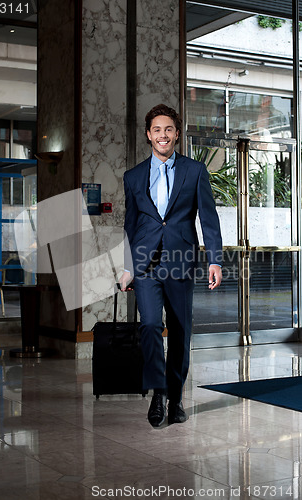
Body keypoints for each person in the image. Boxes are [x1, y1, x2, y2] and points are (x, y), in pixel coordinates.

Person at [120, 104, 222, 427]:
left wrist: (214, 260)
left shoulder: (194, 172)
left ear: (176, 134)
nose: (162, 135)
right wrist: (127, 267)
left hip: (181, 262)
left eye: (168, 130)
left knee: (179, 334)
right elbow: (130, 225)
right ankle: (158, 391)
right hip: (145, 265)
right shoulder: (134, 177)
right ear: (148, 135)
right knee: (149, 325)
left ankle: (175, 398)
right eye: (156, 130)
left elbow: (208, 218)